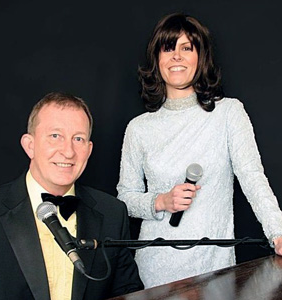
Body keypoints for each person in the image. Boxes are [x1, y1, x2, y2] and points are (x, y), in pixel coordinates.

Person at [117, 12, 282, 288]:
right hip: (155, 272)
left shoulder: (229, 112)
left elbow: (253, 177)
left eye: (186, 48)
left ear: (200, 56)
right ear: (157, 60)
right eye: (168, 48)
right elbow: (125, 198)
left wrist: (278, 230)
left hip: (214, 270)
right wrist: (161, 201)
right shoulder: (139, 129)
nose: (177, 56)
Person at [0, 92, 144, 300]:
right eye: (55, 136)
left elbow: (129, 293)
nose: (68, 151)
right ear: (30, 145)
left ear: (89, 150)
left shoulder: (112, 213)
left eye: (78, 139)